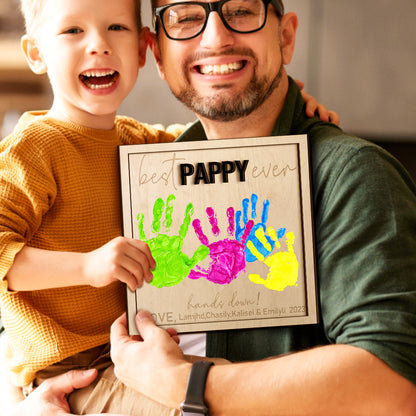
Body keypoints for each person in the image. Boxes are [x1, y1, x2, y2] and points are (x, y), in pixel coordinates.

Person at [0, 0, 334, 414]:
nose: (98, 46)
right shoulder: (31, 149)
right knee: (203, 407)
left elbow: (217, 141)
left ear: (144, 49)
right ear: (36, 53)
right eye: (73, 32)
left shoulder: (137, 141)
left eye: (116, 28)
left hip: (132, 355)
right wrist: (88, 266)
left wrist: (293, 103)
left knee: (251, 388)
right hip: (75, 372)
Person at [108, 0, 416, 415]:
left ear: (285, 38)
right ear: (158, 54)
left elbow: (391, 385)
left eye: (240, 11)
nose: (215, 37)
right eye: (186, 17)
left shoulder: (352, 174)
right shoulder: (147, 175)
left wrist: (184, 383)